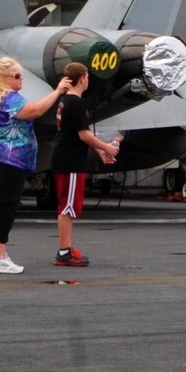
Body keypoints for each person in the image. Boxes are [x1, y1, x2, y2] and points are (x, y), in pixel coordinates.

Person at [0, 56, 69, 274]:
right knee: (6, 207)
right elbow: (35, 111)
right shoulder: (9, 98)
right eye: (18, 76)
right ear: (6, 78)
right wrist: (57, 92)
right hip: (7, 160)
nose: (21, 80)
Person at [49, 60, 120, 267]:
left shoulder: (65, 101)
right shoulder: (76, 103)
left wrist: (100, 152)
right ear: (82, 78)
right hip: (71, 161)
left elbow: (79, 134)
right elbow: (83, 135)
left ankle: (67, 248)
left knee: (67, 205)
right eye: (87, 77)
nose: (88, 81)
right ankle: (64, 251)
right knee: (68, 206)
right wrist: (107, 148)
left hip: (64, 157)